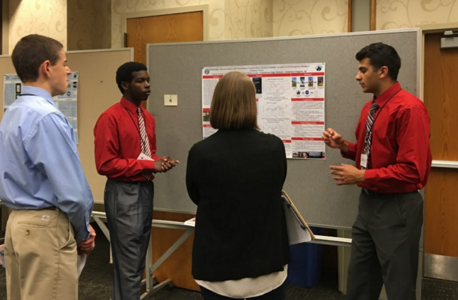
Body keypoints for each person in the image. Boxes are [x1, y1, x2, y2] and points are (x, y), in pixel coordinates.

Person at [322, 43, 432, 300]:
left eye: (363, 70)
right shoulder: (370, 108)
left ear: (382, 71)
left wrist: (361, 176)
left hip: (398, 208)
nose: (357, 76)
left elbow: (412, 171)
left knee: (399, 287)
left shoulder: (409, 109)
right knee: (359, 284)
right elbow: (370, 154)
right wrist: (344, 146)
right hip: (368, 207)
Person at [0, 34, 96, 300]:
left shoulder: (13, 112)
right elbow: (72, 192)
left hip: (17, 223)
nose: (68, 70)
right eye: (64, 63)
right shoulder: (47, 117)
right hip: (45, 227)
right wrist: (82, 231)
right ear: (46, 67)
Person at [186, 71, 290, 300]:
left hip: (217, 268)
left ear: (216, 104)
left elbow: (196, 196)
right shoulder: (274, 147)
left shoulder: (200, 152)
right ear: (252, 104)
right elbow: (276, 186)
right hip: (266, 265)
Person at [93, 61, 178, 300]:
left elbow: (145, 154)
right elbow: (106, 164)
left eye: (148, 79)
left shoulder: (147, 118)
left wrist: (160, 161)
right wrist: (150, 164)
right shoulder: (109, 118)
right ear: (124, 85)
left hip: (144, 189)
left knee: (137, 261)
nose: (147, 85)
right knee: (129, 264)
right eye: (140, 81)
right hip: (123, 192)